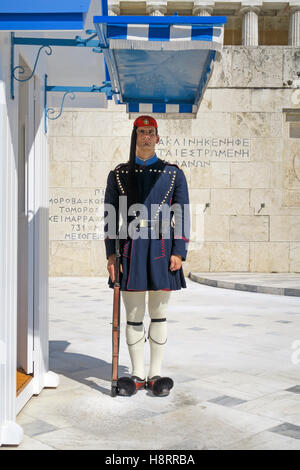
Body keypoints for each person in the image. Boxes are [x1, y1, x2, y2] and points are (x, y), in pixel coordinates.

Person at [104, 115, 190, 397]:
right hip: (130, 247)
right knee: (134, 314)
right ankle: (137, 374)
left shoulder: (173, 174)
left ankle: (155, 373)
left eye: (151, 132)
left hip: (162, 248)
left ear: (158, 137)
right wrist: (111, 256)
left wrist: (179, 251)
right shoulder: (118, 174)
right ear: (135, 136)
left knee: (159, 313)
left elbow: (183, 214)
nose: (146, 137)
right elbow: (110, 217)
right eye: (142, 132)